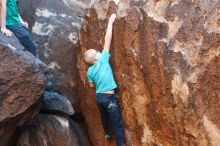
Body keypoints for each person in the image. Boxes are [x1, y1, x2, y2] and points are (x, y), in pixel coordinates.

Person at [83, 13, 125, 146]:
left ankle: (107, 132)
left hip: (99, 97)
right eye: (97, 52)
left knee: (104, 116)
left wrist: (98, 82)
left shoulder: (90, 70)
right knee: (117, 124)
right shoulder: (103, 60)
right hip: (109, 98)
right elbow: (107, 40)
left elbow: (90, 85)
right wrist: (110, 22)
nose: (99, 52)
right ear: (96, 58)